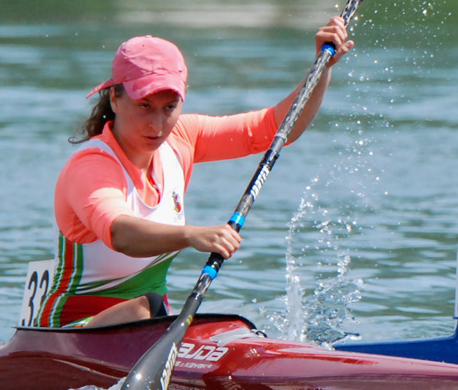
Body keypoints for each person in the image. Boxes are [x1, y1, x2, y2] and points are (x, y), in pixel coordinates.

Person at [38, 19, 352, 328]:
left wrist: (321, 68)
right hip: (71, 332)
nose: (157, 125)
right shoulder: (91, 165)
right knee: (144, 310)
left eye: (169, 107)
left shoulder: (182, 140)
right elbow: (120, 234)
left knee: (181, 316)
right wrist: (192, 235)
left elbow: (278, 127)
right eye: (145, 106)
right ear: (115, 99)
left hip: (150, 323)